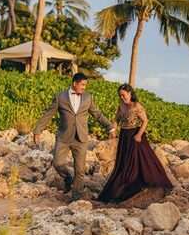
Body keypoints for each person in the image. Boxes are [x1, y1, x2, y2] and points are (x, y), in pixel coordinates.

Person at [32, 72, 115, 201]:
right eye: (82, 85)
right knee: (57, 163)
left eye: (85, 85)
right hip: (64, 137)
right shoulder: (60, 97)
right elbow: (48, 114)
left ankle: (76, 198)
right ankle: (67, 178)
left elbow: (97, 114)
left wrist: (110, 126)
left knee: (80, 170)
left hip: (81, 138)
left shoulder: (88, 98)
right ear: (75, 83)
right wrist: (37, 130)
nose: (84, 88)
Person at [97, 84, 173, 203]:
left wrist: (138, 135)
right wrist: (114, 129)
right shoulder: (121, 106)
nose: (122, 97)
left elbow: (145, 121)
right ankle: (120, 187)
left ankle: (141, 182)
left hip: (136, 135)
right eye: (120, 95)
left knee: (139, 160)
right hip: (124, 136)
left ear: (130, 93)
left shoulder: (137, 106)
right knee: (124, 162)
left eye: (123, 95)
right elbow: (116, 119)